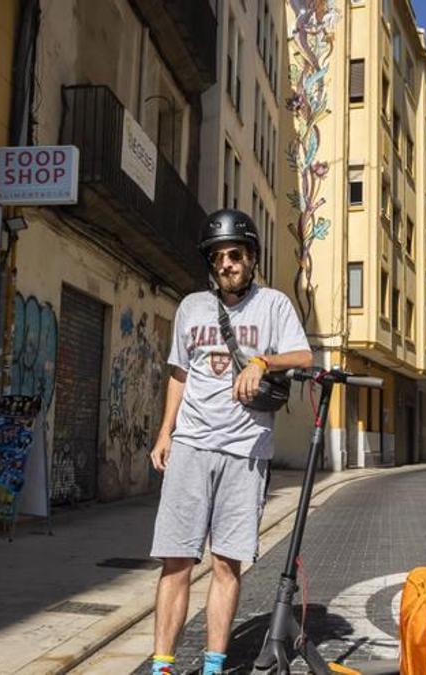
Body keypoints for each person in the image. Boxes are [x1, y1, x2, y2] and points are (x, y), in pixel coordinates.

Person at [148, 209, 313, 675]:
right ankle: (162, 666)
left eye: (235, 254)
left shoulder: (275, 305)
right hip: (192, 448)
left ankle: (213, 666)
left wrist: (262, 361)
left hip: (246, 453)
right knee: (176, 561)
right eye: (218, 257)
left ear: (251, 258)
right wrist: (166, 432)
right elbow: (179, 374)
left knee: (226, 565)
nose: (227, 264)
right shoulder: (191, 308)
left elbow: (303, 354)